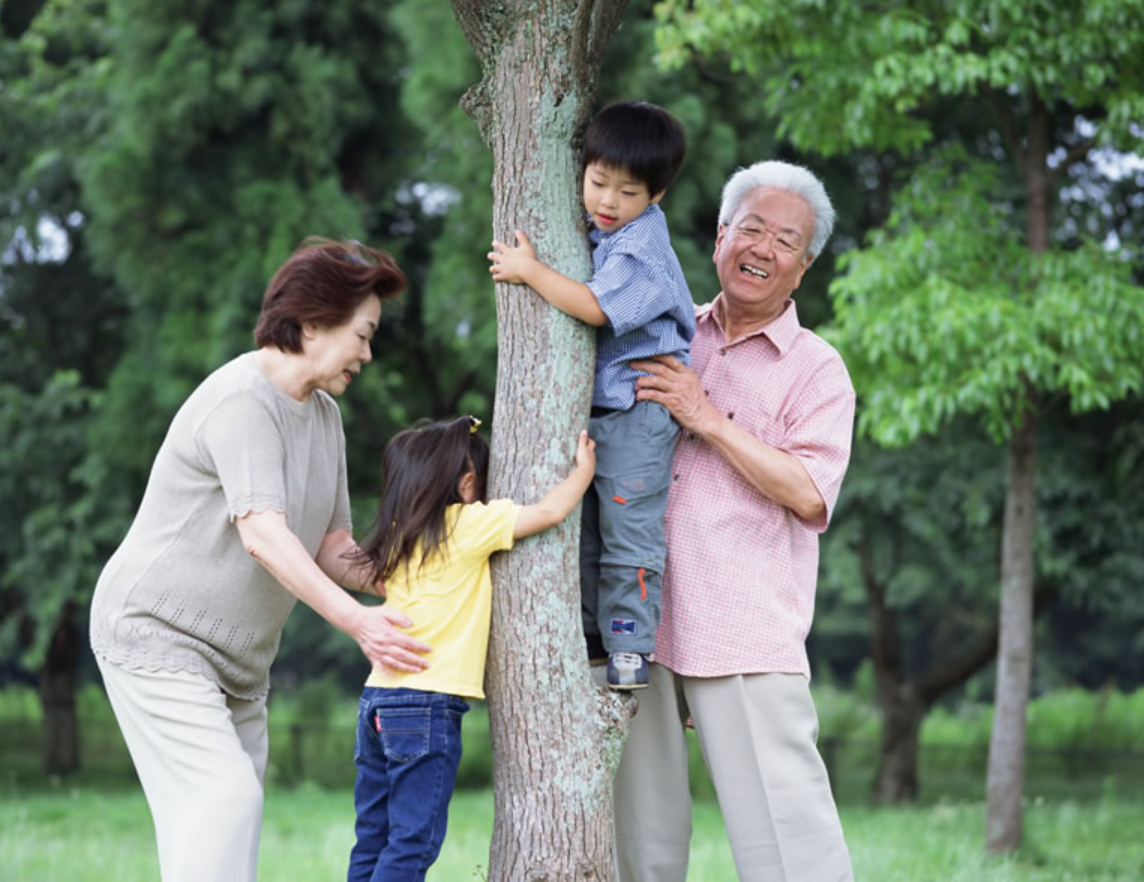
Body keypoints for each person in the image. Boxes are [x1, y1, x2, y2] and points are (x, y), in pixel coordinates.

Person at [89, 239, 433, 882]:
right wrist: (358, 623)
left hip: (239, 663)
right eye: (362, 335)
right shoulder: (242, 400)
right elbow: (265, 536)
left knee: (224, 828)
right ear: (311, 323)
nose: (367, 353)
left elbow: (333, 546)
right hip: (157, 636)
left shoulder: (324, 416)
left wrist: (426, 579)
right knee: (226, 802)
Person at [617, 161, 857, 881]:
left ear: (804, 267)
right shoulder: (661, 330)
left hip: (742, 629)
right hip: (636, 622)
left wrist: (706, 418)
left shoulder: (817, 369)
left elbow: (811, 493)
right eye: (750, 227)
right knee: (640, 844)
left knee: (790, 845)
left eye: (785, 240)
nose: (762, 247)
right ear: (721, 236)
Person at [487, 99, 694, 691]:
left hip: (639, 411)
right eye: (598, 182)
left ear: (655, 197)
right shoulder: (598, 227)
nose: (607, 202)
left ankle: (629, 643)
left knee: (628, 529)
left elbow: (594, 308)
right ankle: (590, 637)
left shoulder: (642, 250)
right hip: (600, 411)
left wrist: (530, 271)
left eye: (627, 193)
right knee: (584, 529)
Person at [345, 416, 595, 882]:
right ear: (466, 485)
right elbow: (547, 513)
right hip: (426, 705)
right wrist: (584, 470)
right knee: (412, 842)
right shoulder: (465, 525)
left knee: (374, 836)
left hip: (376, 702)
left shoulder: (399, 536)